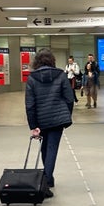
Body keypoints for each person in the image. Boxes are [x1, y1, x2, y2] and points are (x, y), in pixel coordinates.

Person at [25, 48, 74, 197]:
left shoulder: (32, 78)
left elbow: (30, 104)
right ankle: (46, 181)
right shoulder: (60, 75)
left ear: (36, 62)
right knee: (51, 149)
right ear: (52, 60)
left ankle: (48, 179)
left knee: (45, 149)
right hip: (57, 119)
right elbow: (69, 98)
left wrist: (33, 125)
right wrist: (66, 115)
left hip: (41, 119)